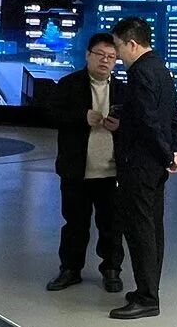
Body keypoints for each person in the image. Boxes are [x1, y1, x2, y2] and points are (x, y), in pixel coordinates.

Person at [109, 16, 177, 320]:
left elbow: (147, 122)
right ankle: (149, 289)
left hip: (139, 165)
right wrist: (174, 152)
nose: (117, 55)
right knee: (153, 228)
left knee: (140, 231)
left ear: (131, 44)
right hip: (156, 167)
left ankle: (147, 298)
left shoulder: (139, 72)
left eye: (118, 47)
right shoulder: (161, 69)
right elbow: (172, 117)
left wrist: (166, 155)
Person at [43, 32, 125, 294]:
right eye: (100, 54)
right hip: (76, 170)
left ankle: (111, 269)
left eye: (111, 56)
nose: (105, 60)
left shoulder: (123, 90)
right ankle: (70, 269)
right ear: (88, 55)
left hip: (111, 171)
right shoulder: (69, 84)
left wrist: (121, 126)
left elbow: (136, 126)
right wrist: (81, 117)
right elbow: (50, 114)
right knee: (74, 224)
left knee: (111, 225)